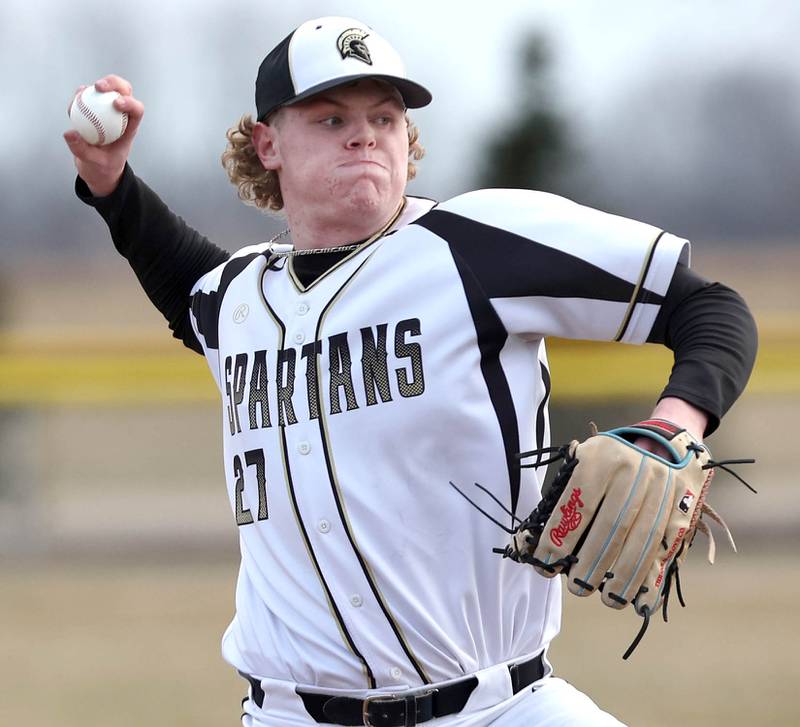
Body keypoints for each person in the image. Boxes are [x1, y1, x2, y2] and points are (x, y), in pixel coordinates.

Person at [64, 15, 757, 727]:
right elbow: (184, 279)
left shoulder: (473, 247)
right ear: (267, 143)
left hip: (501, 708)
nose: (364, 134)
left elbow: (708, 306)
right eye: (332, 117)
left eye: (385, 116)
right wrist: (112, 186)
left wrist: (674, 421)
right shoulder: (239, 299)